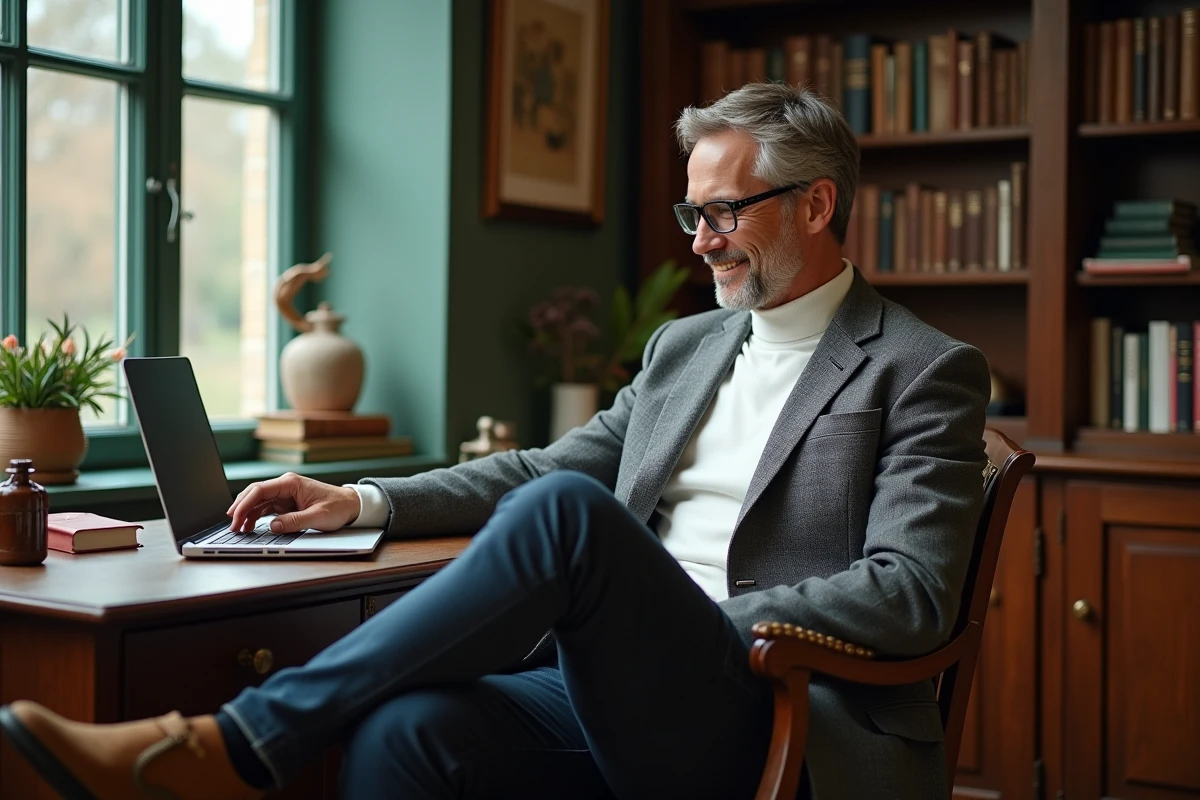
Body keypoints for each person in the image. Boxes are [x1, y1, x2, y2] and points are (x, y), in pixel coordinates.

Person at [0, 83, 989, 800]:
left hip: (779, 709)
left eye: (724, 211)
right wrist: (363, 502)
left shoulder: (922, 367)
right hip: (611, 682)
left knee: (568, 519)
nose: (699, 238)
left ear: (816, 205)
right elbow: (548, 467)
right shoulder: (686, 346)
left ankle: (235, 744)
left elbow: (908, 588)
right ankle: (233, 746)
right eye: (694, 211)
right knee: (408, 731)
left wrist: (696, 616)